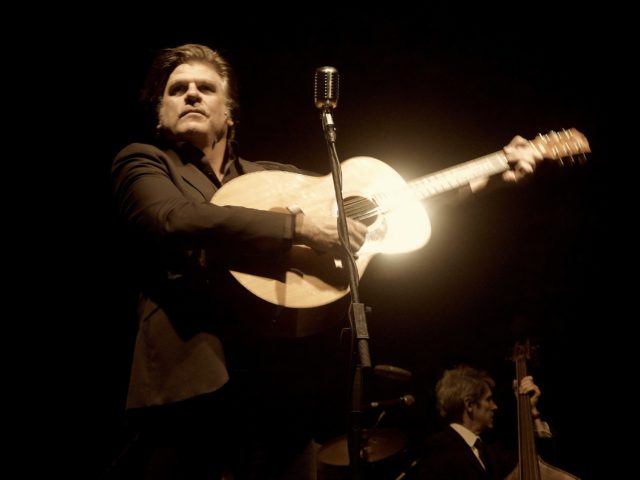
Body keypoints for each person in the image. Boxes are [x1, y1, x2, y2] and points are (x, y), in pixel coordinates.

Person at [110, 43, 542, 479]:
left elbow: (381, 204)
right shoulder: (144, 162)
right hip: (190, 390)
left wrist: (486, 178)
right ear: (160, 114)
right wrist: (298, 228)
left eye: (205, 88)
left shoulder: (267, 178)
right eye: (177, 89)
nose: (191, 94)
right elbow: (173, 218)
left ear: (230, 113)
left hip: (279, 396)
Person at [417, 365, 552, 480]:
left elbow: (540, 465)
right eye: (488, 399)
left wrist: (532, 410)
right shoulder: (438, 448)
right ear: (469, 405)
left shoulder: (488, 450)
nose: (495, 406)